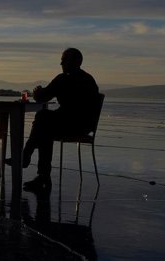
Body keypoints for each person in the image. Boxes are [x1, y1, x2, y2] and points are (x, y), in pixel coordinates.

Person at [7, 48, 99, 191]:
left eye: (64, 59)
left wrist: (37, 92)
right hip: (85, 126)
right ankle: (38, 172)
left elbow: (42, 97)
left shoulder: (63, 79)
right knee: (45, 126)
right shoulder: (89, 80)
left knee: (43, 118)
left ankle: (29, 160)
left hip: (71, 124)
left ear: (76, 62)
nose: (61, 63)